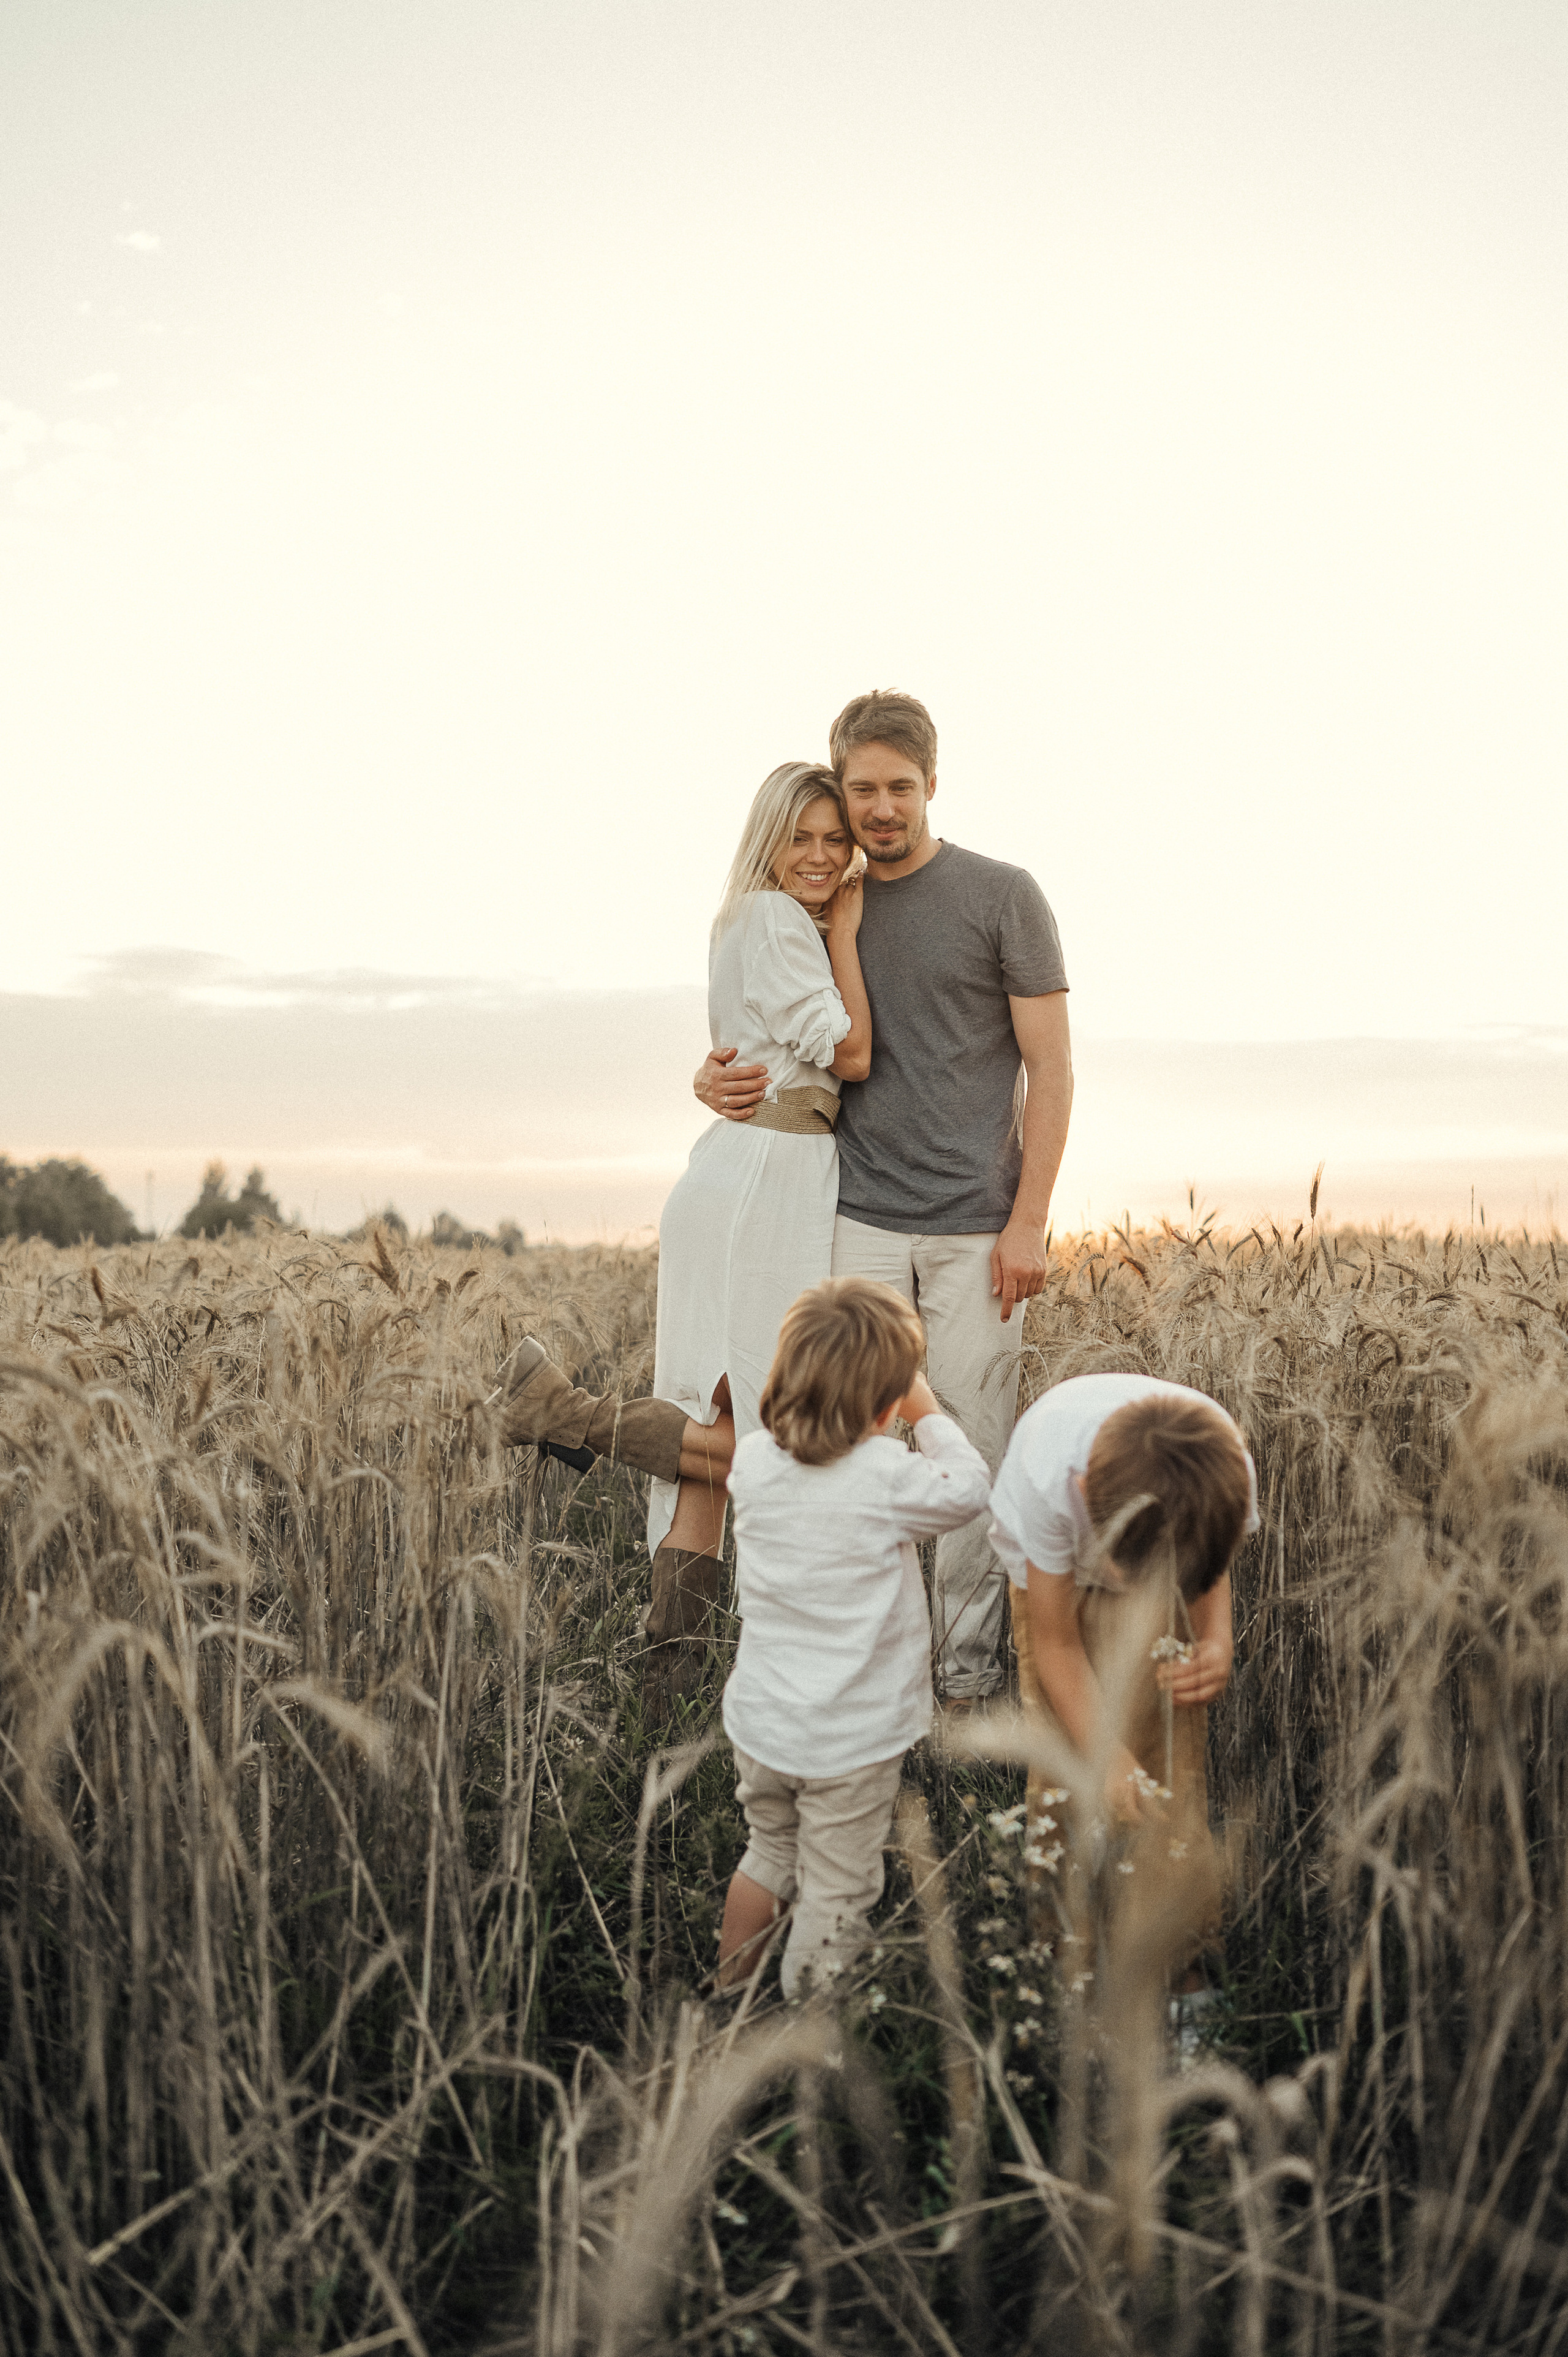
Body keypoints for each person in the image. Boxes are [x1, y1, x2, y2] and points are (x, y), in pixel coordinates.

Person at [696, 689, 1072, 1707]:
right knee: (848, 1454)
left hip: (973, 1228)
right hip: (851, 1214)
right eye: (861, 787)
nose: (880, 807)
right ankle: (869, 1678)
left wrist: (1029, 1218)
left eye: (899, 787)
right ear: (838, 787)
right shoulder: (812, 902)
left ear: (933, 784)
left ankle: (958, 1690)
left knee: (970, 1448)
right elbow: (771, 1023)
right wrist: (711, 1077)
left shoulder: (1003, 895)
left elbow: (1053, 1068)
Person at [715, 1277, 992, 1997]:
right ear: (884, 1404)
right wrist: (925, 1408)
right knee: (837, 1889)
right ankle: (813, 2040)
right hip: (848, 1737)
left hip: (764, 1724)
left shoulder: (751, 1462)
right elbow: (968, 1488)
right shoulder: (884, 1477)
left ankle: (728, 1994)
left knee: (768, 1851)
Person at [987, 1372, 1259, 1980]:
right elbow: (1057, 1645)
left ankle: (1183, 1962)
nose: (1144, 1599)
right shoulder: (1051, 1482)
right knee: (1066, 1765)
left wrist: (1215, 1636)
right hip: (1052, 1583)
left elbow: (1211, 1559)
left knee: (1168, 1769)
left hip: (1154, 1544)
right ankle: (1063, 1957)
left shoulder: (1226, 1464)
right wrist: (1107, 1758)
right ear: (1084, 1496)